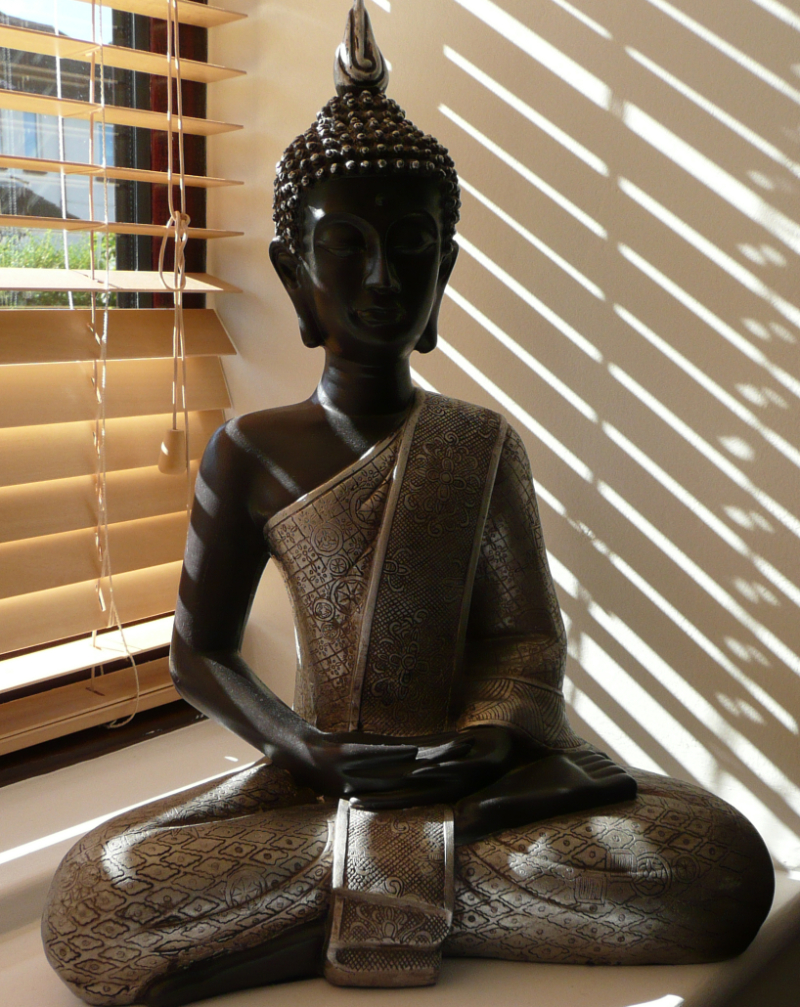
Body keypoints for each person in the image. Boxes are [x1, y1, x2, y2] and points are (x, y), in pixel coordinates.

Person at [42, 3, 774, 1004]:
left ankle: (332, 907)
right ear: (295, 274)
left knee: (719, 860)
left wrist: (489, 738)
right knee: (98, 894)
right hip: (319, 781)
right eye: (345, 246)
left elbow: (524, 640)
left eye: (412, 244)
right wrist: (308, 748)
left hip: (469, 785)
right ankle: (412, 887)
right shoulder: (250, 450)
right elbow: (199, 653)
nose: (382, 277)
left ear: (447, 268)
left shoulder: (480, 443)